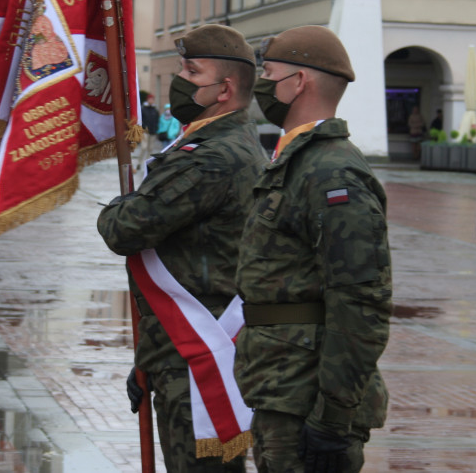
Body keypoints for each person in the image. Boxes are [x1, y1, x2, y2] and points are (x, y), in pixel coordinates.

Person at [97, 24, 267, 472]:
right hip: (182, 348)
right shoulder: (228, 140)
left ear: (225, 89)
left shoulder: (211, 156)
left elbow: (124, 229)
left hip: (194, 357)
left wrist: (118, 204)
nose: (180, 80)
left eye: (192, 72)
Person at [234, 25, 392, 473]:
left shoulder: (332, 172)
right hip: (280, 385)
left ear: (299, 82)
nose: (261, 85)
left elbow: (362, 301)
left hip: (307, 396)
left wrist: (333, 417)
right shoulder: (298, 161)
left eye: (269, 72)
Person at [136, 92, 160, 171]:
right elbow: (140, 119)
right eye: (150, 99)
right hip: (145, 131)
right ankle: (139, 163)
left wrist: (156, 128)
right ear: (147, 100)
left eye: (152, 99)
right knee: (144, 147)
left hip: (153, 131)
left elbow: (157, 120)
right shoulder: (143, 108)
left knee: (150, 149)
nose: (151, 101)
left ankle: (147, 163)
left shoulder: (155, 110)